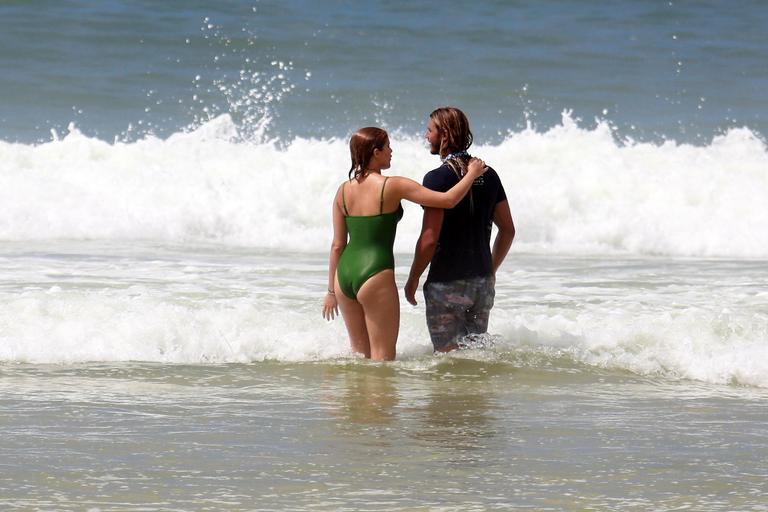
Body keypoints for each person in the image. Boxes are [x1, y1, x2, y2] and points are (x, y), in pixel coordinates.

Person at [322, 127, 487, 361]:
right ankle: (381, 398)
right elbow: (448, 201)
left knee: (359, 357)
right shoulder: (393, 185)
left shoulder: (342, 191)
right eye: (388, 147)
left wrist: (330, 292)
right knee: (383, 360)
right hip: (374, 273)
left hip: (343, 276)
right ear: (376, 152)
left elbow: (337, 245)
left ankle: (356, 398)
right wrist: (472, 173)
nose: (391, 151)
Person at [404, 107, 515, 352]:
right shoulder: (490, 175)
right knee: (474, 358)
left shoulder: (437, 179)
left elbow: (430, 238)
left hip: (447, 281)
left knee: (447, 361)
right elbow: (507, 230)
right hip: (482, 282)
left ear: (444, 135)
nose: (426, 136)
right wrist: (491, 269)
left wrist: (413, 277)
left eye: (430, 130)